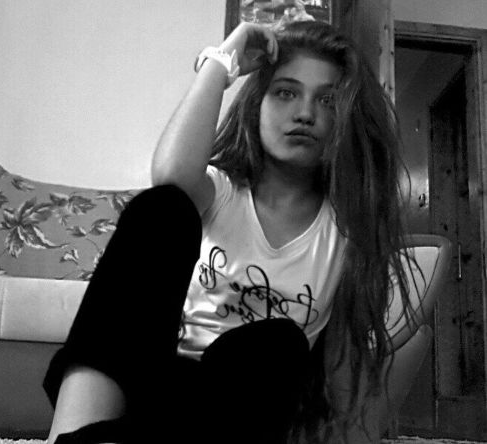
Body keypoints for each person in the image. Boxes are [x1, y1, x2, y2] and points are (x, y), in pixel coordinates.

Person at [43, 18, 418, 444]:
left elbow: (339, 368)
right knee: (161, 208)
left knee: (279, 343)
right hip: (152, 384)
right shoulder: (221, 191)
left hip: (238, 411)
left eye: (327, 100)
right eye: (286, 92)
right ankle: (73, 435)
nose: (305, 113)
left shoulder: (346, 232)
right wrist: (223, 60)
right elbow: (170, 175)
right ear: (257, 104)